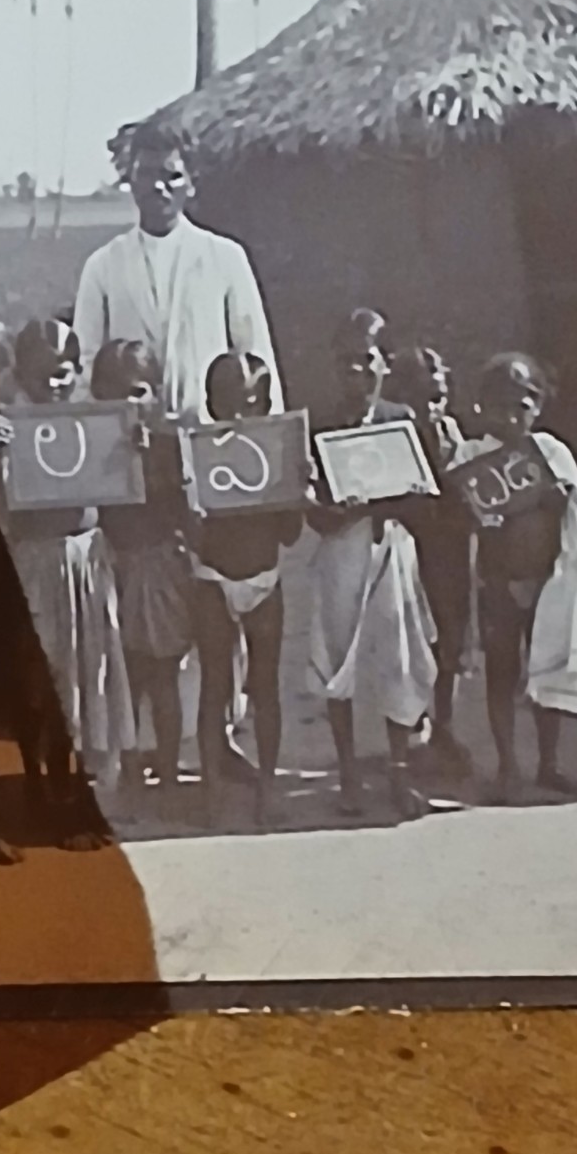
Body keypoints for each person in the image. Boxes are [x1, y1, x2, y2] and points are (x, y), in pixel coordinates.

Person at [0, 318, 138, 797]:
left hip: (88, 558)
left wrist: (132, 448)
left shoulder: (97, 422)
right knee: (45, 665)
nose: (53, 384)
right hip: (35, 561)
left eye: (63, 373)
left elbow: (123, 486)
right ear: (21, 374)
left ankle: (93, 768)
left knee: (94, 663)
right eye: (42, 375)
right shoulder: (7, 425)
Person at [449, 353, 577, 804]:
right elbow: (464, 518)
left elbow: (575, 520)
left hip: (547, 583)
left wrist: (556, 500)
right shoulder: (473, 458)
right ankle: (508, 766)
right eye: (500, 406)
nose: (511, 417)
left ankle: (548, 764)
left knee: (547, 667)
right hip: (498, 583)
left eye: (522, 405)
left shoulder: (551, 454)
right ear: (482, 406)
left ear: (539, 406)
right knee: (501, 671)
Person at [307, 310, 438, 821]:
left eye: (366, 359)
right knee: (338, 660)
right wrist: (336, 511)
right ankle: (348, 775)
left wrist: (395, 498)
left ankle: (399, 772)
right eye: (345, 362)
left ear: (385, 362)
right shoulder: (320, 426)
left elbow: (425, 500)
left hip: (393, 550)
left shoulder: (401, 420)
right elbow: (313, 513)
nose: (355, 371)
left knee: (398, 656)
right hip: (342, 552)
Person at [73, 124, 282, 424]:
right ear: (131, 180)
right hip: (131, 437)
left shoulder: (225, 257)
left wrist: (270, 439)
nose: (158, 186)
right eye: (146, 174)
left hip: (208, 433)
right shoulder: (103, 266)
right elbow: (85, 366)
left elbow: (256, 358)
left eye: (171, 176)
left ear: (191, 183)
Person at [189, 350, 302, 827]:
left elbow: (290, 535)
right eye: (229, 401)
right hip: (213, 579)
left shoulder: (277, 455)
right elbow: (194, 535)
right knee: (214, 685)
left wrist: (294, 491)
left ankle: (269, 789)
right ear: (211, 403)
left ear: (266, 405)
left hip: (262, 580)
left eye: (251, 402)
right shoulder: (198, 454)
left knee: (265, 686)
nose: (239, 413)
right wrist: (192, 512)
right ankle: (212, 790)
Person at [91, 338, 194, 792]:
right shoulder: (91, 445)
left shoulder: (171, 445)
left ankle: (168, 775)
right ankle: (130, 776)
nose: (127, 405)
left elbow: (186, 509)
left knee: (163, 676)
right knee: (125, 681)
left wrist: (153, 457)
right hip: (111, 567)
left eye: (136, 393)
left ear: (155, 393)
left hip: (159, 567)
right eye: (113, 394)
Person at [387, 345, 474, 777]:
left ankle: (444, 725)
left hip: (450, 548)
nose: (431, 408)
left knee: (451, 637)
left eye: (437, 397)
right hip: (410, 548)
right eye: (420, 398)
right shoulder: (393, 437)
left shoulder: (452, 432)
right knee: (413, 639)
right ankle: (411, 729)